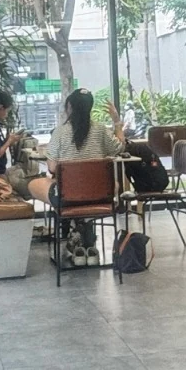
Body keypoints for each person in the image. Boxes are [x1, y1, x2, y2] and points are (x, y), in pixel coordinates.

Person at [44, 89, 117, 264]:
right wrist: (117, 122)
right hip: (100, 196)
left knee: (37, 184)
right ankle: (84, 228)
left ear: (69, 106)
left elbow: (52, 167)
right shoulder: (101, 130)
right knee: (113, 184)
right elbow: (119, 148)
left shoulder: (59, 132)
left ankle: (75, 229)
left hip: (68, 198)